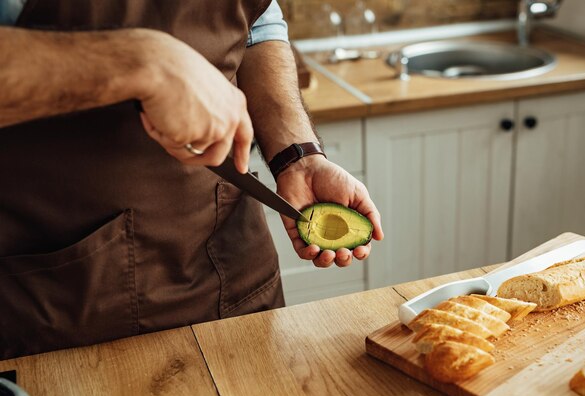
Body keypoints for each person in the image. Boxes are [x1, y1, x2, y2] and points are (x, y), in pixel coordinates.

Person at [0, 0, 383, 360]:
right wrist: (140, 60)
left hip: (233, 275)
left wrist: (296, 156)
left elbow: (257, 27)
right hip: (60, 299)